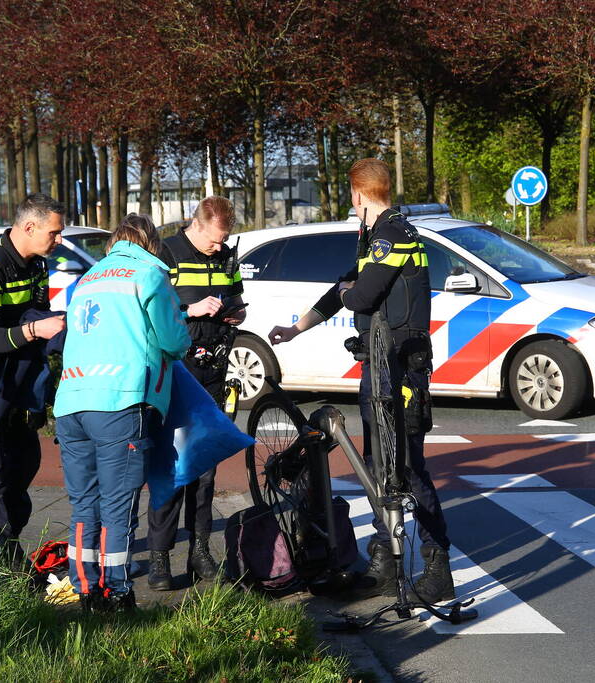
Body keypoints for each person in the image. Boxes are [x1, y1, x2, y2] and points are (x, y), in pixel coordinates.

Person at [268, 158, 454, 604]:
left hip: (400, 367)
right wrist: (298, 328)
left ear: (357, 194)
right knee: (378, 470)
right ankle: (385, 562)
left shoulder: (393, 234)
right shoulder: (374, 235)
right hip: (379, 364)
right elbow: (342, 289)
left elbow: (362, 293)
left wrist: (352, 291)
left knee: (407, 466)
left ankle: (437, 563)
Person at [54, 214, 191, 611]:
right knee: (118, 505)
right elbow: (172, 338)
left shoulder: (89, 278)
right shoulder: (148, 274)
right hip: (118, 401)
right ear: (150, 242)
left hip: (71, 402)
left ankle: (85, 590)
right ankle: (117, 591)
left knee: (83, 504)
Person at [147, 195, 246, 591]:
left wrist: (236, 311)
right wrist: (190, 311)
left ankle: (200, 549)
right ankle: (159, 556)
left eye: (224, 241)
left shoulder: (225, 256)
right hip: (176, 371)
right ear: (196, 223)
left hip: (214, 369)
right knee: (171, 466)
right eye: (214, 240)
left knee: (205, 468)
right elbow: (152, 312)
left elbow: (237, 297)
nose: (219, 248)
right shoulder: (167, 252)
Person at [0, 193, 67, 564]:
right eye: (55, 231)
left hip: (24, 385)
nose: (59, 239)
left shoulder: (37, 264)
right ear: (29, 227)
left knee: (26, 465)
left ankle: (7, 545)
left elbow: (38, 312)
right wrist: (34, 330)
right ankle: (0, 561)